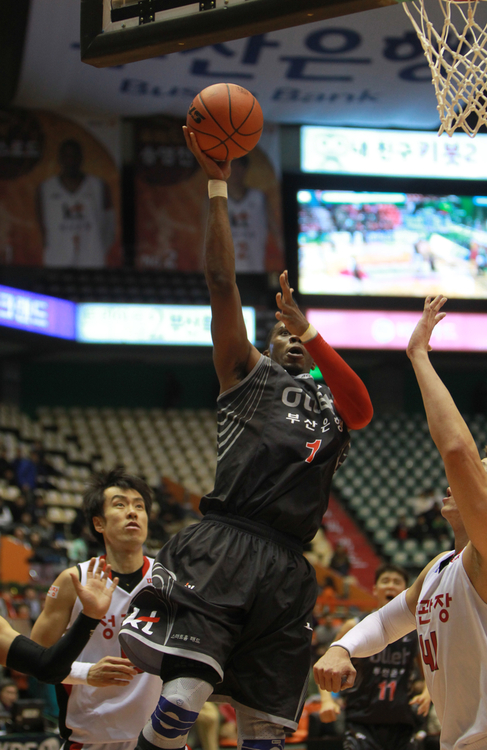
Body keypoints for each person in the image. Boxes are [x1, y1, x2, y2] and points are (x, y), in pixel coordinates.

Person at [118, 128, 374, 750]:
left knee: (266, 733)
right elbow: (221, 284)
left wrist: (310, 332)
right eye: (275, 332)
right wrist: (216, 187)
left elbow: (363, 409)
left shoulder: (329, 401)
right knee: (184, 701)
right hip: (226, 546)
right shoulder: (245, 375)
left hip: (288, 566)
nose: (280, 337)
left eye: (291, 335)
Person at [314, 294, 487, 749]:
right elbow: (387, 625)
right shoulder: (438, 567)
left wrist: (418, 355)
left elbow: (456, 451)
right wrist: (342, 647)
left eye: (481, 472)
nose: (463, 479)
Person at [31, 468, 161, 750]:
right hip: (90, 736)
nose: (132, 512)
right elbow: (34, 659)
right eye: (120, 505)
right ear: (99, 523)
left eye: (139, 506)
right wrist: (85, 673)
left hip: (157, 737)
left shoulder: (169, 580)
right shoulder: (72, 580)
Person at [319, 563, 430, 750]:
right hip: (361, 720)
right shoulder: (353, 625)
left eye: (396, 582)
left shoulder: (416, 630)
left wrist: (428, 693)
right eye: (385, 581)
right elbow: (327, 663)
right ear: (375, 589)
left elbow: (430, 669)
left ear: (406, 591)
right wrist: (326, 700)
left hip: (401, 722)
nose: (390, 585)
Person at [36, 139, 115, 268]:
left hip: (92, 261)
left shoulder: (99, 186)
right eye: (67, 156)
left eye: (74, 156)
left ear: (81, 158)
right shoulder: (45, 188)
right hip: (57, 261)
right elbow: (41, 225)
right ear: (60, 159)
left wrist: (96, 249)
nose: (71, 161)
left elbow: (110, 226)